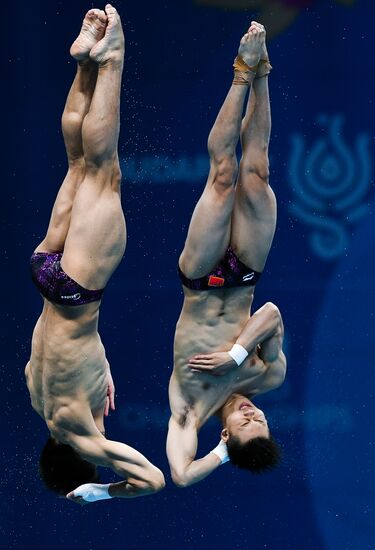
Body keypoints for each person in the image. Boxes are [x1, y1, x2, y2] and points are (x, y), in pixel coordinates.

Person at [25, 5, 165, 505]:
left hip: (75, 291)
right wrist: (99, 365)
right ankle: (84, 59)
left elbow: (153, 481)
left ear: (81, 460)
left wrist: (101, 491)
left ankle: (110, 59)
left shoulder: (86, 438)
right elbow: (56, 352)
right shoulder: (39, 399)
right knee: (79, 162)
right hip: (46, 274)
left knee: (103, 170)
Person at [167, 22, 286, 487]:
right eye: (262, 420)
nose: (253, 413)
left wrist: (218, 457)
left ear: (225, 436)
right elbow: (272, 314)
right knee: (256, 171)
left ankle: (240, 71)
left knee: (222, 176)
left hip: (199, 278)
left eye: (245, 424)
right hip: (245, 275)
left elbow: (179, 474)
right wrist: (237, 354)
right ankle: (262, 72)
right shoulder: (265, 378)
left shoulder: (191, 405)